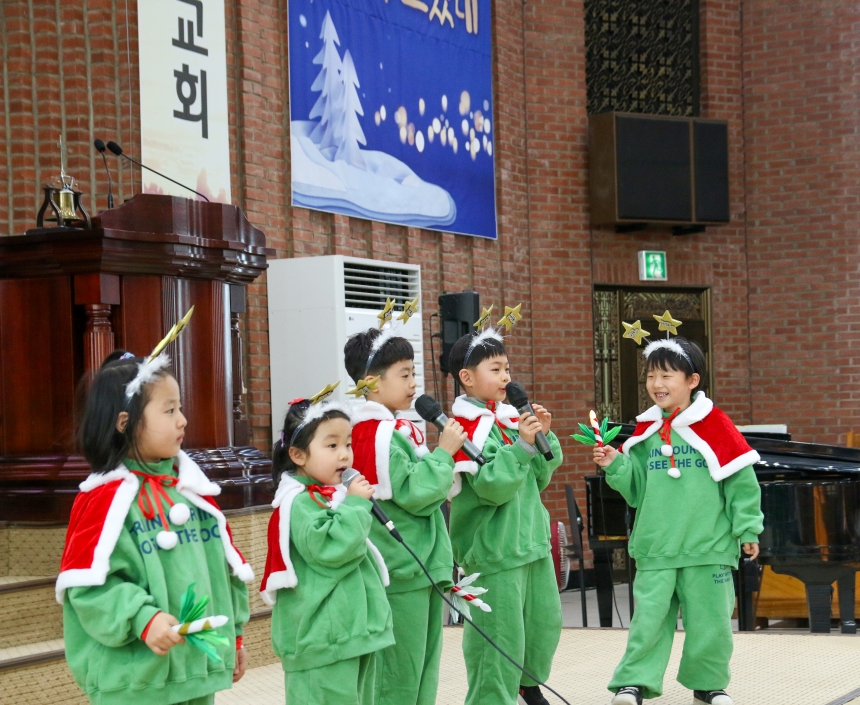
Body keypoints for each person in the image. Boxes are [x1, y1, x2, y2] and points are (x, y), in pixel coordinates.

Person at [57, 350, 253, 705]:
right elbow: (88, 589)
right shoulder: (105, 500)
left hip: (195, 670)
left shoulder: (193, 492)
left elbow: (226, 571)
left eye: (180, 408)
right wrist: (143, 618)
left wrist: (234, 636)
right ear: (125, 422)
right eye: (169, 410)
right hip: (138, 682)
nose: (183, 420)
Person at [592, 337, 764, 705]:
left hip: (709, 548)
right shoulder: (645, 432)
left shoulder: (717, 426)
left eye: (666, 375)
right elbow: (636, 491)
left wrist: (748, 528)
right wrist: (615, 464)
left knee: (711, 625)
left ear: (692, 380)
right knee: (647, 624)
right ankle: (633, 684)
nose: (656, 384)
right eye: (650, 376)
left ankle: (708, 685)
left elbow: (741, 483)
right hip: (656, 548)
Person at [343, 327, 467, 705]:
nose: (414, 383)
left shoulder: (396, 429)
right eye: (404, 374)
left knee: (423, 668)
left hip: (420, 565)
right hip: (400, 568)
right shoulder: (374, 434)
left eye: (414, 373)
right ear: (371, 382)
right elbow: (416, 493)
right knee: (399, 673)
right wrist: (444, 454)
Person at [447, 329, 563, 705]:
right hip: (494, 552)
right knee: (498, 641)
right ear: (467, 377)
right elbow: (492, 487)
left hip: (530, 543)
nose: (505, 377)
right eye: (495, 369)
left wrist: (543, 438)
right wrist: (523, 446)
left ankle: (528, 684)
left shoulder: (508, 419)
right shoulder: (466, 429)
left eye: (507, 368)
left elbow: (538, 479)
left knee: (543, 626)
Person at [261, 396, 394, 705]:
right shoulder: (299, 502)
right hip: (322, 642)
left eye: (347, 444)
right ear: (297, 455)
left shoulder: (334, 497)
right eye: (332, 445)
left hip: (354, 635)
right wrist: (356, 504)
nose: (344, 454)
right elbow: (331, 549)